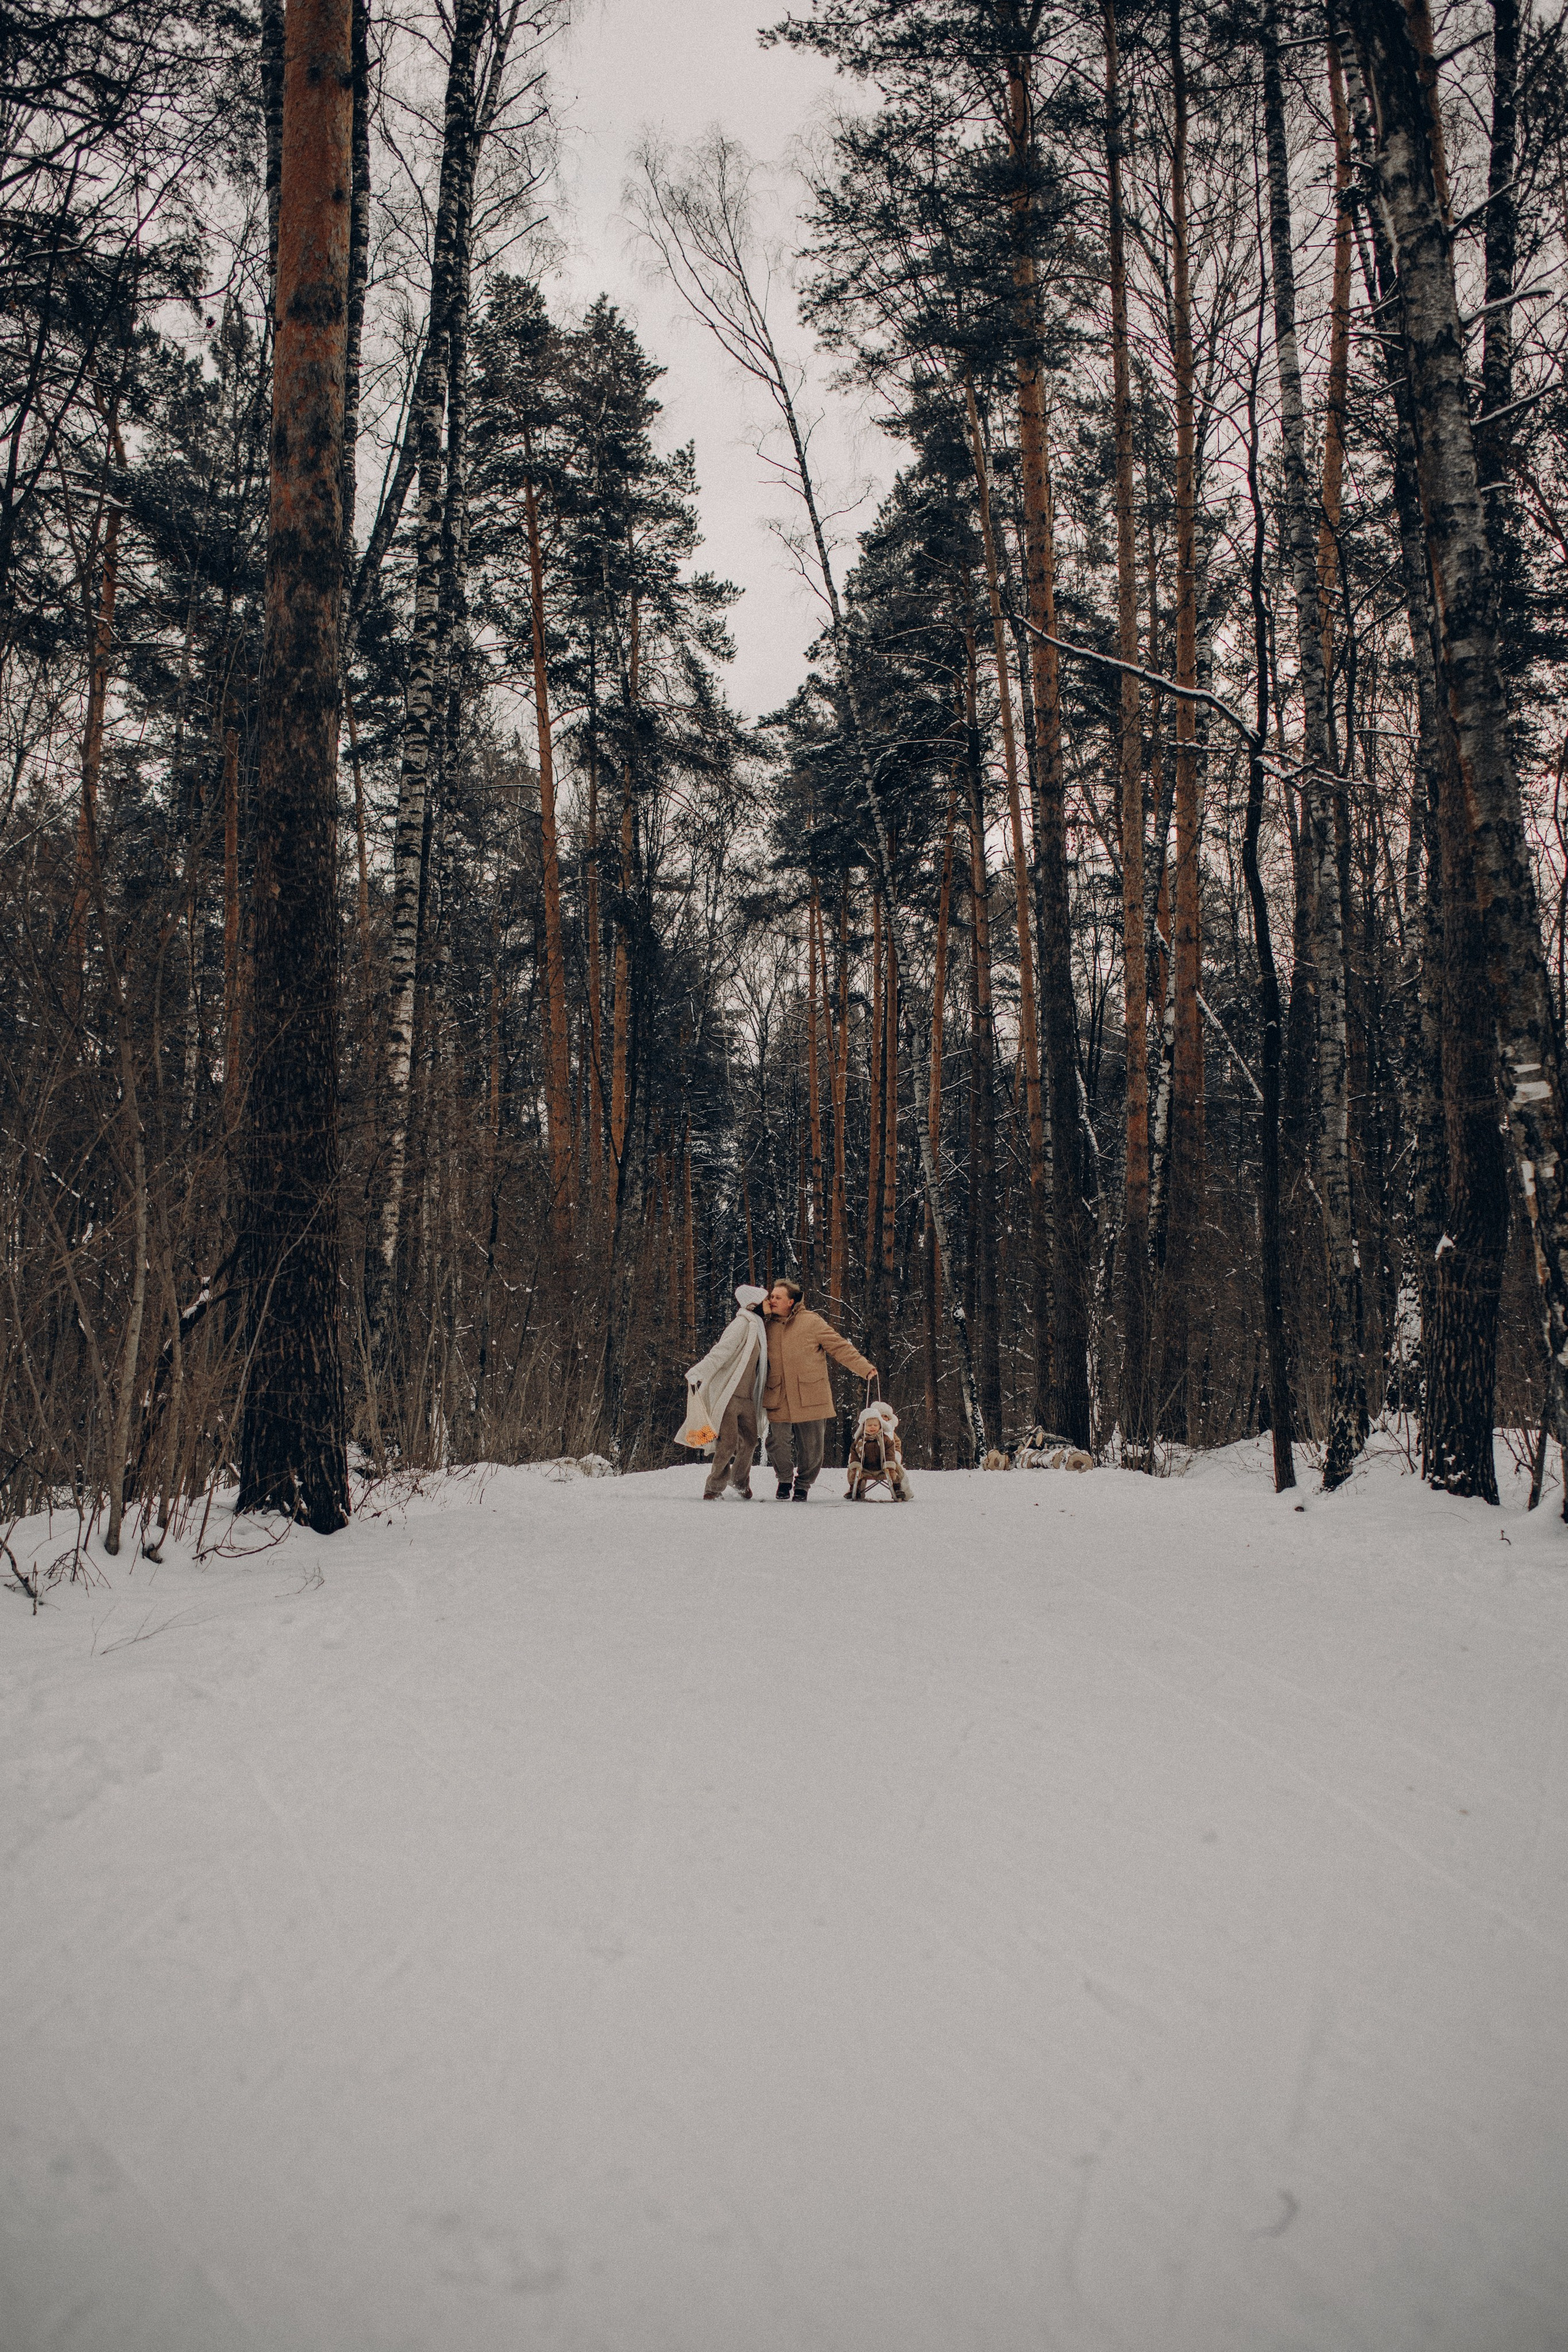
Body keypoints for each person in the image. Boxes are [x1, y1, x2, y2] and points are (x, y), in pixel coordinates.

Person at [761, 1278, 875, 1500]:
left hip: (810, 1394)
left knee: (812, 1447)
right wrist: (759, 1310)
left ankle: (803, 1485)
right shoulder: (764, 1324)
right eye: (771, 1296)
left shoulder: (812, 1322)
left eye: (777, 1297)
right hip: (778, 1392)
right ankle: (784, 1480)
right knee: (777, 1443)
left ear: (791, 1302)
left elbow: (839, 1347)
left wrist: (864, 1368)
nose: (772, 1300)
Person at [678, 1283, 769, 1499]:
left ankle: (738, 1481)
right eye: (765, 1300)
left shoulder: (759, 1327)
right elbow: (721, 1352)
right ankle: (714, 1487)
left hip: (746, 1397)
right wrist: (698, 1372)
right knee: (727, 1443)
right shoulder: (741, 1324)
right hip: (728, 1395)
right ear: (754, 1304)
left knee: (750, 1440)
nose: (769, 1304)